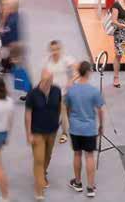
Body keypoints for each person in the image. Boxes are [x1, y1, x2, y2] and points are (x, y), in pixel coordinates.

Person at [65, 60, 105, 197]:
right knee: (89, 156)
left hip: (75, 128)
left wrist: (71, 121)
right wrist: (101, 125)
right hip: (89, 129)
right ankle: (90, 187)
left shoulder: (71, 90)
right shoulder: (94, 91)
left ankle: (77, 183)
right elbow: (100, 110)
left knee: (77, 154)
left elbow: (67, 108)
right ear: (89, 72)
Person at [25, 68, 62, 202]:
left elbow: (59, 106)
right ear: (41, 79)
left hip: (52, 131)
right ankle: (39, 191)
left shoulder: (56, 90)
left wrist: (59, 123)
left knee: (48, 156)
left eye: (49, 80)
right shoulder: (32, 94)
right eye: (45, 80)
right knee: (39, 160)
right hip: (37, 132)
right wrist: (28, 133)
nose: (47, 83)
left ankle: (42, 175)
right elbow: (28, 115)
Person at [42, 40, 77, 144]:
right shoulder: (47, 61)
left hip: (64, 91)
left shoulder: (66, 59)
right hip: (52, 91)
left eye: (57, 49)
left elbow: (78, 69)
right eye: (53, 50)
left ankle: (64, 133)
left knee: (63, 111)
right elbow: (44, 76)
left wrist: (71, 80)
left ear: (60, 49)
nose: (55, 52)